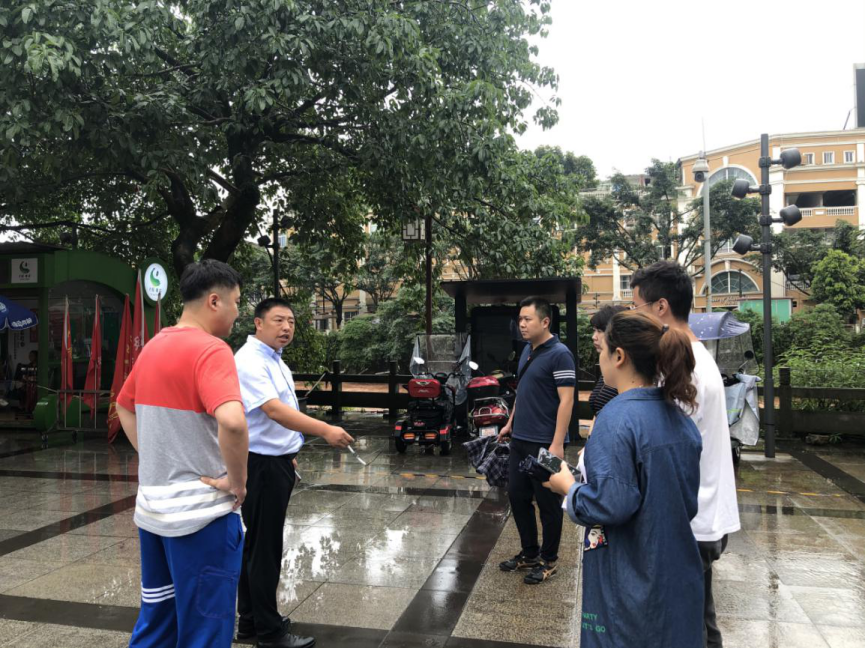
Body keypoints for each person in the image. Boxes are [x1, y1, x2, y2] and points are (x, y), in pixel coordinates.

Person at [544, 310, 704, 648]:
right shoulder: (679, 415)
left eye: (602, 350)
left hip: (630, 584)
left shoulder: (615, 418)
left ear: (619, 356)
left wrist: (568, 488)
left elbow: (610, 504)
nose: (598, 358)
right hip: (678, 575)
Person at [116, 260, 249, 648]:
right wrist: (237, 482)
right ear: (214, 301)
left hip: (152, 511)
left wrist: (156, 455)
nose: (238, 312)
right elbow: (233, 422)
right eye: (236, 302)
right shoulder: (212, 350)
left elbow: (123, 405)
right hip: (201, 517)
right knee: (205, 631)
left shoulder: (153, 346)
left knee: (157, 625)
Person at [630, 260, 741, 648]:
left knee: (689, 628)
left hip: (690, 519)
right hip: (702, 514)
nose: (635, 317)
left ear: (661, 307)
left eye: (637, 308)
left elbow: (664, 449)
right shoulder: (697, 357)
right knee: (699, 619)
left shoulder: (681, 367)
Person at [234, 298, 354, 648]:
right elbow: (273, 410)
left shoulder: (274, 359)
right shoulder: (250, 360)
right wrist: (325, 429)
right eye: (278, 320)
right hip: (261, 465)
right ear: (258, 323)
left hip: (275, 461)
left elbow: (275, 417)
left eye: (291, 321)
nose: (286, 327)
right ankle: (269, 633)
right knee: (264, 549)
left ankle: (251, 622)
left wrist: (289, 451)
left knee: (257, 546)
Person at [496, 296, 575, 585]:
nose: (522, 324)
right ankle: (530, 553)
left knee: (548, 502)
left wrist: (557, 443)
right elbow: (522, 391)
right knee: (517, 496)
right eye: (520, 319)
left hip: (546, 443)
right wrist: (510, 423)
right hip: (520, 439)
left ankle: (549, 560)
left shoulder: (560, 354)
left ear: (545, 321)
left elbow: (567, 400)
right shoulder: (527, 351)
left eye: (527, 319)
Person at [587, 305, 627, 423]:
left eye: (599, 331)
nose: (594, 337)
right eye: (594, 330)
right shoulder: (608, 369)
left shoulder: (625, 373)